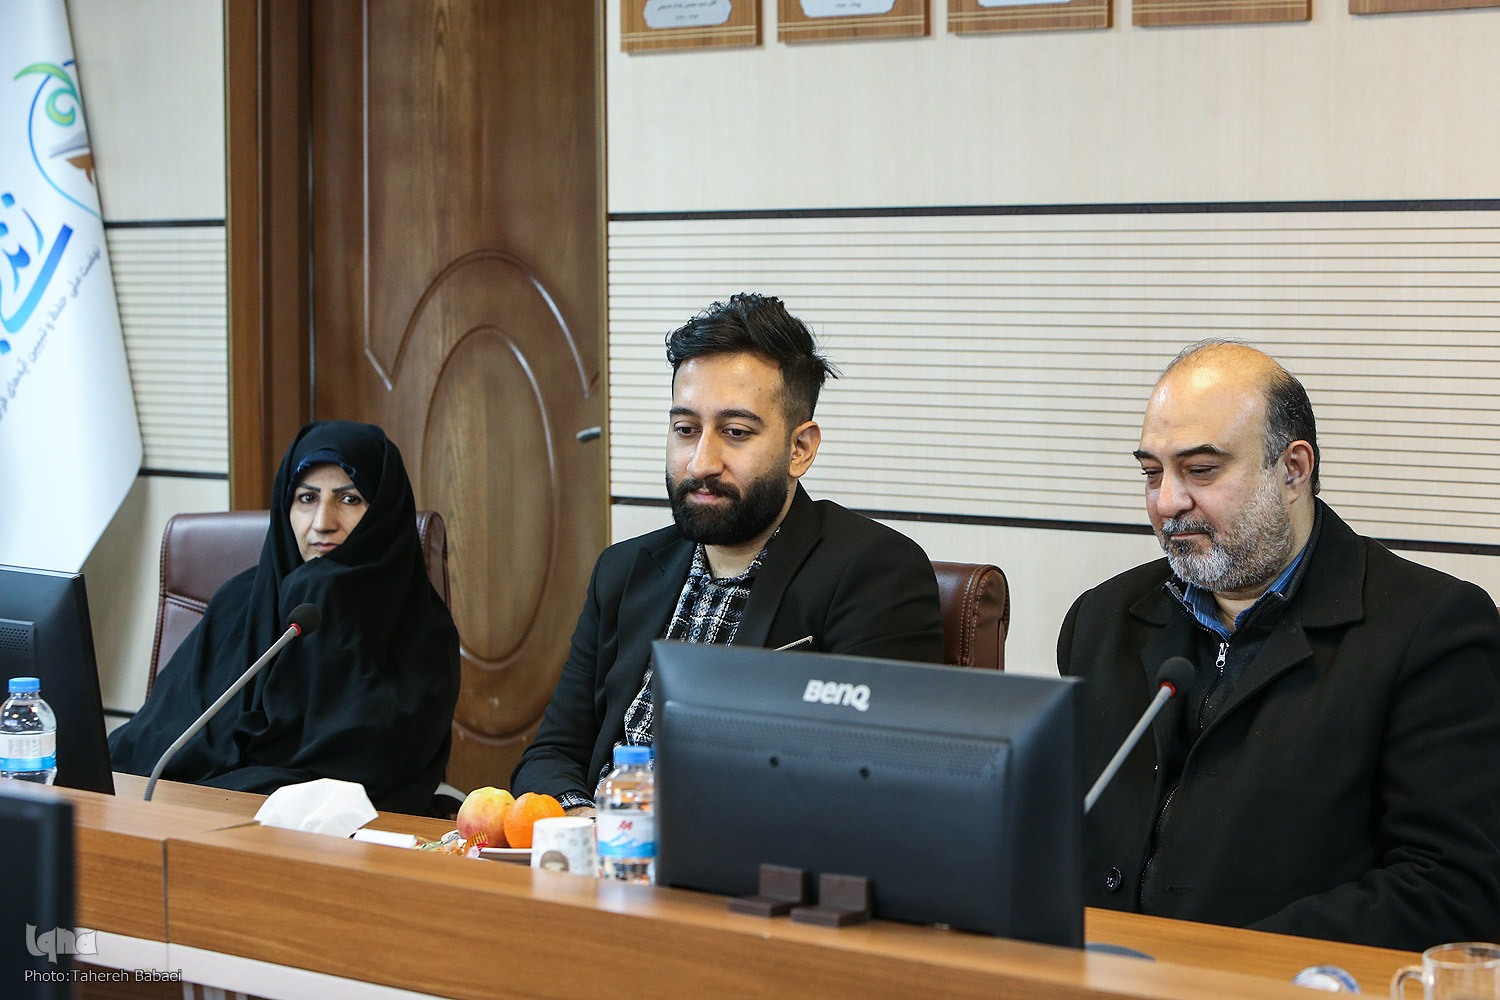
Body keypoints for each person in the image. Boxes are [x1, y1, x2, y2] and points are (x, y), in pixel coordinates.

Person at [1058, 340, 1500, 951]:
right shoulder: (1101, 621)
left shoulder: (1429, 629)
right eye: (1152, 473)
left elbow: (1452, 887)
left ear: (1293, 470)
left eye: (1201, 470)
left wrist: (1226, 964)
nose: (1167, 502)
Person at [512, 293, 945, 811]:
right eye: (685, 429)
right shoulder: (623, 571)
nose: (700, 462)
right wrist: (588, 824)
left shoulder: (874, 572)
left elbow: (868, 788)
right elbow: (552, 754)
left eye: (735, 433)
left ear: (800, 449)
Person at [110, 421, 460, 814]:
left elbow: (372, 766)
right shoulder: (239, 601)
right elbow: (156, 742)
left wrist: (324, 592)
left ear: (383, 512)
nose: (323, 522)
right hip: (206, 815)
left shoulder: (419, 625)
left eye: (349, 499)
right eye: (307, 498)